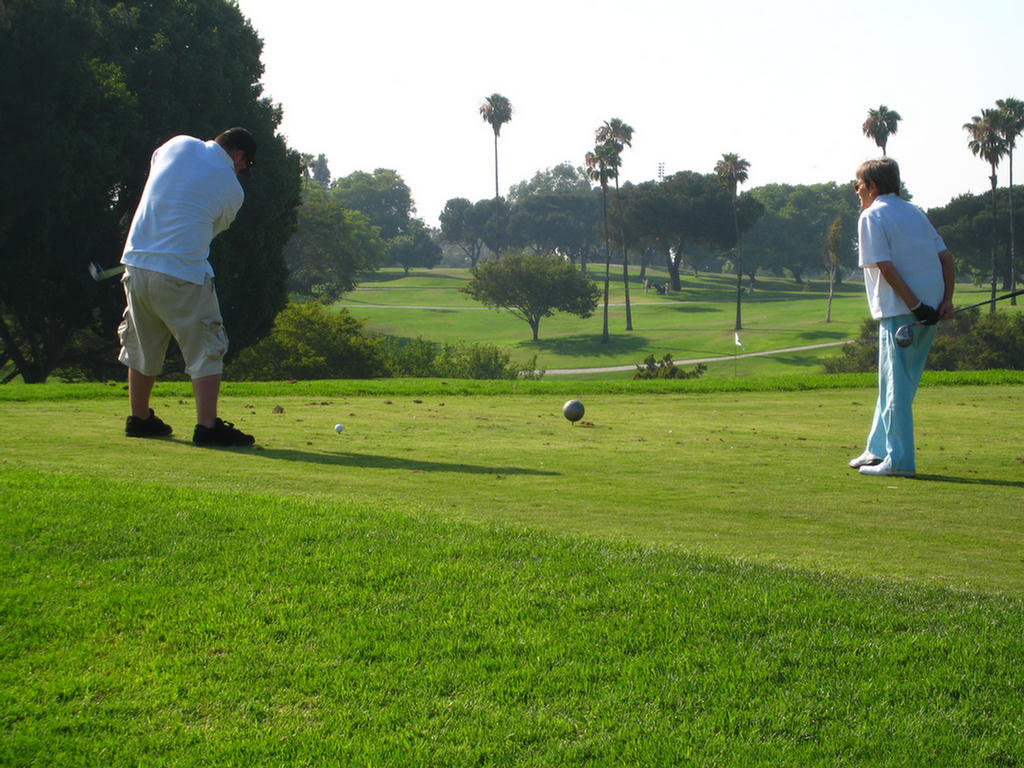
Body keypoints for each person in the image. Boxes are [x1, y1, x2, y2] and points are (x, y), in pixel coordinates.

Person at [118, 127, 257, 446]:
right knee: (207, 346)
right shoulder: (233, 191)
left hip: (136, 263)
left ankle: (139, 419)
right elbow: (211, 230)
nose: (242, 171)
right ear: (238, 156)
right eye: (245, 164)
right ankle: (207, 427)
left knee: (142, 344)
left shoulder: (175, 144)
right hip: (182, 272)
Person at [848, 157, 955, 477]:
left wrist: (914, 305)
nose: (856, 191)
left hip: (902, 313)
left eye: (858, 185)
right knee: (894, 384)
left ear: (873, 186)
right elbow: (946, 259)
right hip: (928, 309)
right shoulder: (914, 212)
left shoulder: (871, 215)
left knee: (896, 387)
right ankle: (877, 448)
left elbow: (885, 266)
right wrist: (944, 301)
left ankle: (900, 460)